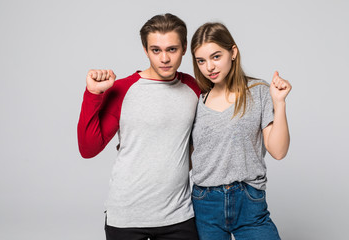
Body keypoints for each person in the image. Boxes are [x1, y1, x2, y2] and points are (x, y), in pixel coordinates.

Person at [77, 14, 200, 240]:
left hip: (178, 215)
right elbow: (88, 148)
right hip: (126, 215)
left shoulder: (192, 88)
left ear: (184, 48)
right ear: (145, 50)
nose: (164, 58)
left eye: (172, 49)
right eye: (156, 50)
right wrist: (93, 94)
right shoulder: (123, 89)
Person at [189, 22, 292, 240]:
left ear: (233, 52)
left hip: (249, 201)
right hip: (205, 203)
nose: (209, 67)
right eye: (201, 61)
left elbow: (278, 151)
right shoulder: (196, 100)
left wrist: (280, 103)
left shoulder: (259, 92)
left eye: (216, 56)